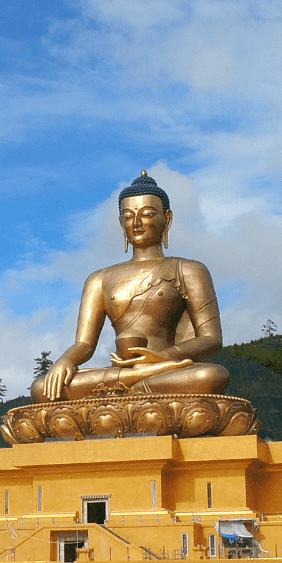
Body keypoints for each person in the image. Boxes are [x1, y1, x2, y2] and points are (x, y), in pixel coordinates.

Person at [31, 172, 228, 403]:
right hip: (122, 372)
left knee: (209, 376)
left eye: (147, 214)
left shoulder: (188, 270)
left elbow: (211, 338)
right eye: (128, 216)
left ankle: (126, 390)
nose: (136, 223)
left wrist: (161, 358)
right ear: (120, 223)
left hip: (167, 369)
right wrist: (66, 360)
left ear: (167, 219)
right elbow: (84, 344)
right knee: (42, 388)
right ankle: (135, 381)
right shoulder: (99, 279)